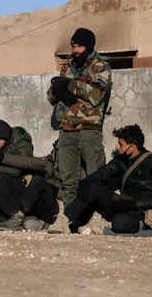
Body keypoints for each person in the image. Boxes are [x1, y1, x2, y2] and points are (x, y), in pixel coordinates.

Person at [60, 124, 152, 234]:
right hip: (122, 203)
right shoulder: (121, 160)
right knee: (90, 186)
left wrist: (135, 204)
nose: (117, 147)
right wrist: (85, 185)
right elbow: (101, 174)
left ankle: (100, 224)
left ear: (132, 147)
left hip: (141, 211)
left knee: (120, 222)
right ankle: (64, 220)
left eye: (120, 144)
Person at [47, 28, 112, 206]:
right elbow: (51, 98)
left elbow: (96, 95)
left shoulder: (100, 66)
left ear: (89, 47)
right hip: (66, 129)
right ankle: (70, 213)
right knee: (68, 179)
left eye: (80, 46)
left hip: (88, 130)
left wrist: (69, 85)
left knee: (95, 176)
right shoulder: (67, 67)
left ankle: (97, 213)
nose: (76, 50)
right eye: (74, 46)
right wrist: (57, 89)